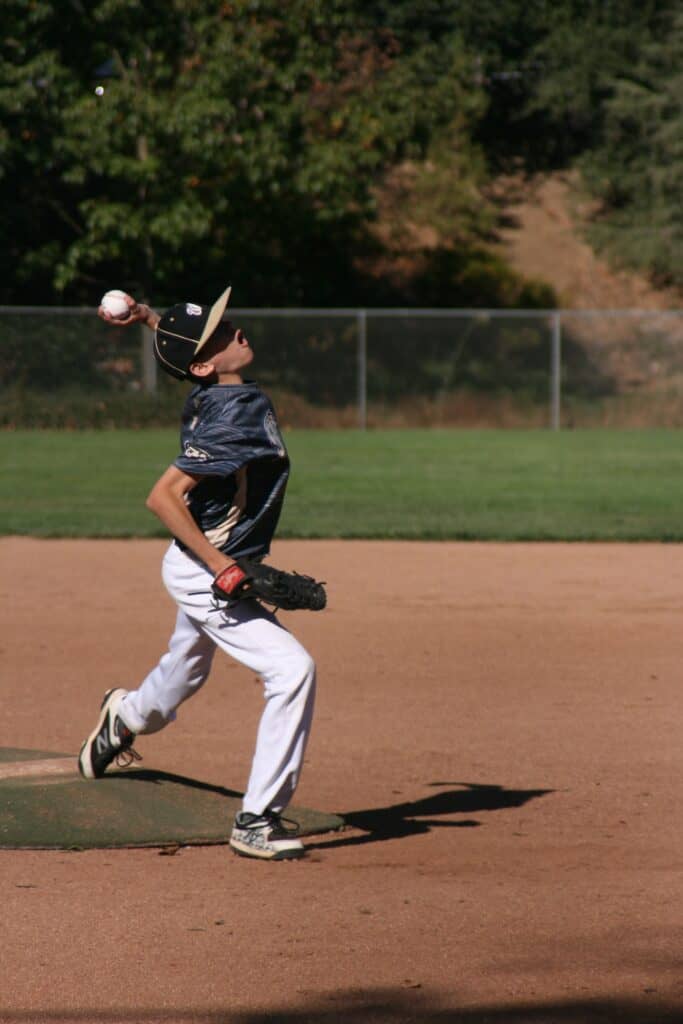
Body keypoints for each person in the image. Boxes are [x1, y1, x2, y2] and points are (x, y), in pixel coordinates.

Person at [78, 286, 318, 861]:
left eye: (225, 320)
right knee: (293, 670)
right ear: (206, 363)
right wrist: (224, 568)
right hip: (203, 568)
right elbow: (162, 498)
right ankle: (257, 819)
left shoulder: (214, 388)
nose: (236, 328)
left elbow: (192, 356)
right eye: (219, 331)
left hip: (202, 561)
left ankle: (125, 716)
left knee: (186, 668)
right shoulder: (231, 414)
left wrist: (147, 318)